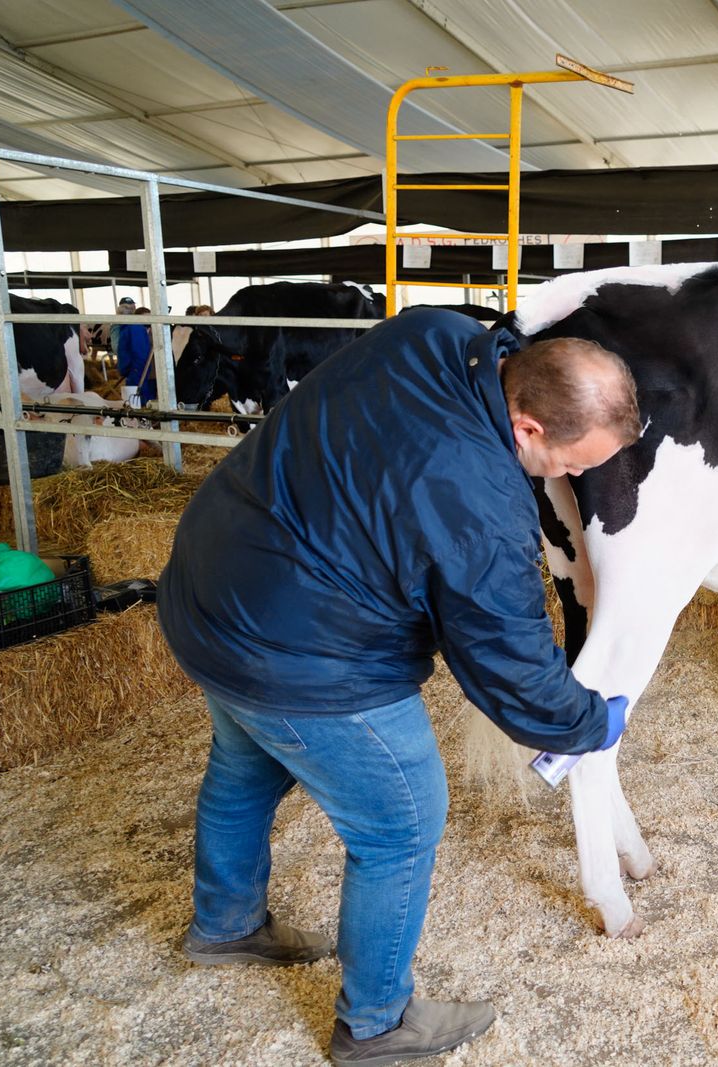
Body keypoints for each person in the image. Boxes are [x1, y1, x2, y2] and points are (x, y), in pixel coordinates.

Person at [157, 309, 641, 1065]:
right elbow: (507, 666)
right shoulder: (480, 499)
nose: (576, 479)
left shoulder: (438, 335)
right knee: (403, 820)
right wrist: (584, 722)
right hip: (296, 643)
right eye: (575, 462)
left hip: (212, 578)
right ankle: (377, 1023)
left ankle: (226, 925)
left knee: (245, 762)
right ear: (529, 430)